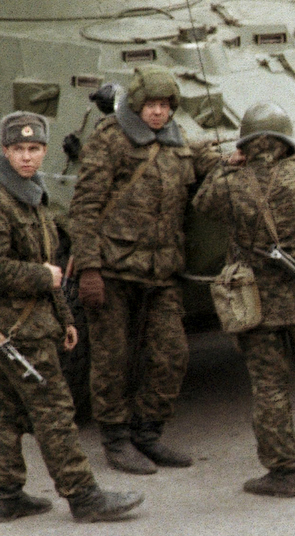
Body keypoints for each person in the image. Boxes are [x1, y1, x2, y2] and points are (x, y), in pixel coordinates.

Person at [191, 103, 295, 498]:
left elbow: (203, 204)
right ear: (286, 139)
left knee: (270, 388)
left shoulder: (231, 181)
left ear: (245, 142)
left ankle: (282, 473)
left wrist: (227, 165)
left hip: (257, 308)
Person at [68, 65, 220, 475]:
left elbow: (201, 156)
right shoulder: (110, 140)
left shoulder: (175, 139)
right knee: (111, 359)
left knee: (171, 355)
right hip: (114, 269)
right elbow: (83, 209)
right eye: (151, 105)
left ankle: (148, 432)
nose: (158, 113)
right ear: (136, 105)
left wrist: (233, 155)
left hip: (161, 269)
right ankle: (116, 440)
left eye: (166, 106)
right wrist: (88, 270)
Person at [0, 112, 143, 522]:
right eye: (18, 149)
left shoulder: (31, 193)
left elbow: (51, 271)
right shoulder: (5, 199)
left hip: (27, 323)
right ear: (5, 151)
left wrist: (65, 320)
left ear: (45, 151)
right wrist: (41, 276)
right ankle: (83, 496)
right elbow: (39, 272)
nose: (27, 157)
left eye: (34, 149)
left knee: (7, 411)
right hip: (16, 328)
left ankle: (7, 493)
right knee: (55, 411)